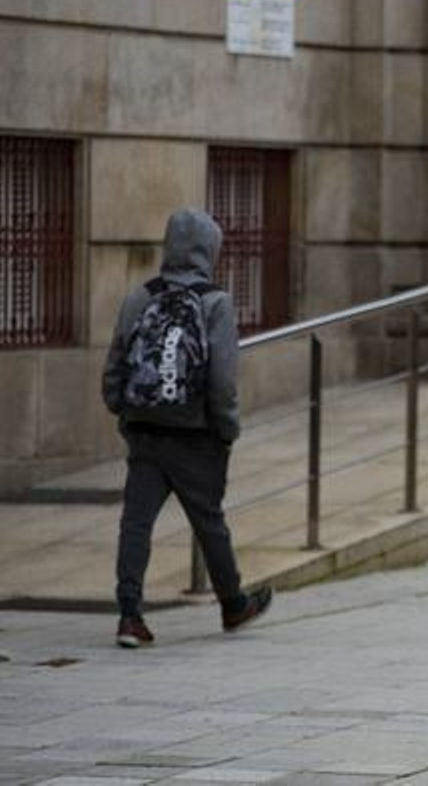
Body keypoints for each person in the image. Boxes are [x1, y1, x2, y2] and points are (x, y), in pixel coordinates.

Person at [101, 207, 271, 648]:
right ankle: (233, 604)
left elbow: (116, 362)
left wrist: (124, 410)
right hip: (195, 435)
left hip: (144, 429)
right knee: (209, 522)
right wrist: (227, 429)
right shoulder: (216, 302)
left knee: (135, 523)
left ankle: (129, 615)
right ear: (209, 250)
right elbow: (222, 381)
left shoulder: (141, 296)